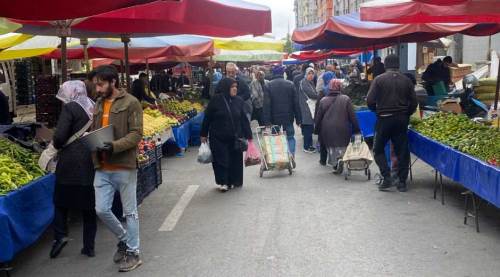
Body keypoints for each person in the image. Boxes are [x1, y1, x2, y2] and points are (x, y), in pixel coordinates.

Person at [91, 65, 144, 272]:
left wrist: (114, 146)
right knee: (101, 209)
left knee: (130, 212)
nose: (98, 88)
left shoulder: (131, 103)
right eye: (96, 84)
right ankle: (124, 239)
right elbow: (97, 130)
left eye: (101, 84)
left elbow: (136, 134)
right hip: (101, 166)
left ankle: (134, 253)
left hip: (124, 165)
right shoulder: (97, 103)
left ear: (113, 82)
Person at [49, 81, 96, 259]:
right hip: (90, 161)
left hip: (70, 163)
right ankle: (89, 246)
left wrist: (56, 144)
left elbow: (60, 136)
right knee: (88, 205)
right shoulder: (93, 106)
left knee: (61, 201)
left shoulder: (70, 108)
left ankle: (60, 236)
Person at [367, 54, 418, 192]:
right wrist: (406, 113)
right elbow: (414, 102)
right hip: (401, 120)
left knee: (378, 149)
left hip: (384, 119)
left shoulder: (379, 80)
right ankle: (402, 182)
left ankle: (387, 177)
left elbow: (370, 101)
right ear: (398, 65)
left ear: (385, 65)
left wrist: (377, 110)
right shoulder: (406, 80)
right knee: (402, 151)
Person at [200, 78, 253, 192]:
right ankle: (223, 182)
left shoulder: (239, 101)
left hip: (235, 137)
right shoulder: (215, 101)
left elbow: (244, 119)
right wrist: (203, 134)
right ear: (225, 88)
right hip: (218, 137)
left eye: (236, 87)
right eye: (232, 87)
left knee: (235, 160)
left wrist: (249, 136)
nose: (235, 89)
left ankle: (233, 181)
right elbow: (207, 118)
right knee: (221, 160)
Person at [315, 79, 360, 173]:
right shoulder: (346, 99)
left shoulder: (323, 100)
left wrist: (317, 130)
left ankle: (335, 164)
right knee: (342, 145)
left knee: (331, 147)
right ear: (340, 87)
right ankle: (341, 158)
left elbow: (318, 118)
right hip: (343, 128)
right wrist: (357, 129)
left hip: (327, 129)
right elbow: (352, 116)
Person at [263, 66, 302, 164]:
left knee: (275, 138)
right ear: (283, 73)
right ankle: (291, 155)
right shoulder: (290, 84)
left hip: (274, 118)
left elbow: (266, 104)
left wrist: (267, 121)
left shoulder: (268, 85)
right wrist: (298, 119)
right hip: (288, 116)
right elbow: (296, 103)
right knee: (290, 137)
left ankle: (278, 159)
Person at [317, 71, 335, 166]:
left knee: (323, 141)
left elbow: (318, 110)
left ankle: (323, 160)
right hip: (337, 118)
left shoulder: (322, 92)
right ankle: (334, 160)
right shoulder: (339, 90)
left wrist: (317, 123)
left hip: (325, 120)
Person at [298, 67, 318, 153]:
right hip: (306, 108)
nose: (311, 75)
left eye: (312, 73)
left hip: (308, 108)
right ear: (306, 74)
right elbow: (312, 94)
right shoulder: (304, 83)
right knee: (308, 127)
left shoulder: (310, 82)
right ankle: (307, 146)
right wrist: (319, 95)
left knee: (309, 127)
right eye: (309, 73)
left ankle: (309, 145)